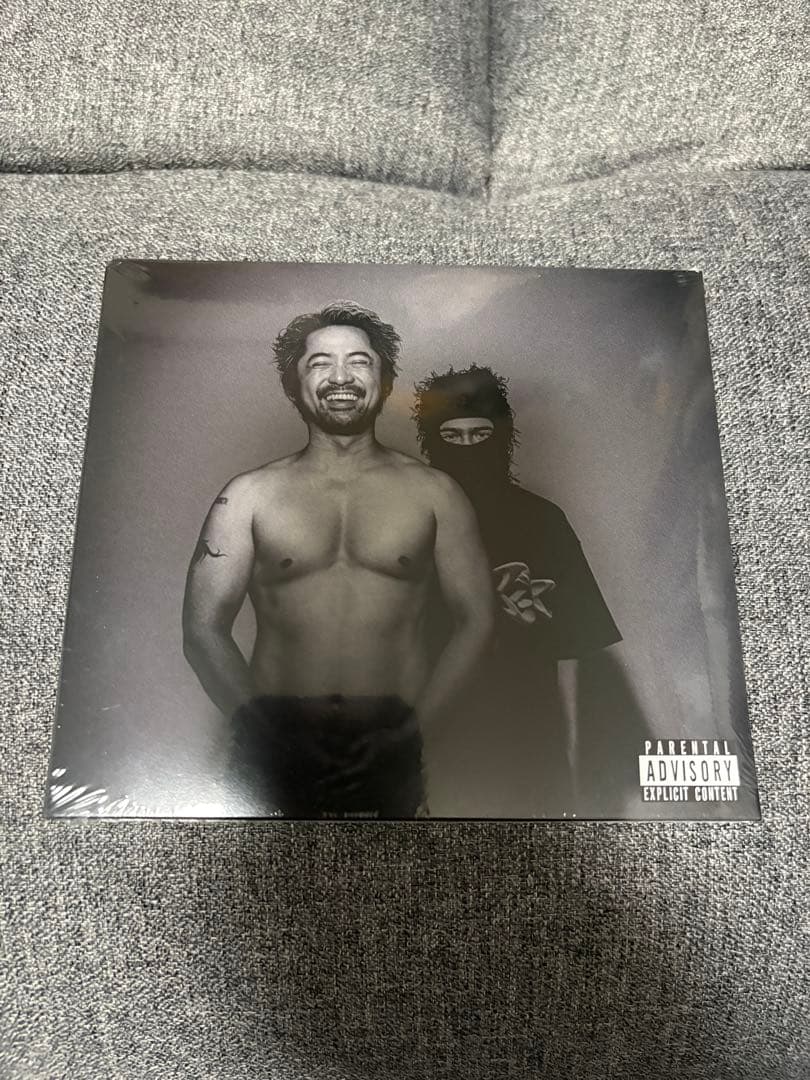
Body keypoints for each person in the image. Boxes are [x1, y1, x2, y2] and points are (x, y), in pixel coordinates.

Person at [182, 304, 493, 818]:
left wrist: (411, 735)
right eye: (320, 362)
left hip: (395, 747)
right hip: (275, 747)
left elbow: (477, 621)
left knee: (398, 873)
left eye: (359, 361)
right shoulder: (248, 496)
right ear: (294, 385)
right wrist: (268, 734)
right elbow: (203, 628)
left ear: (385, 382)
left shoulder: (436, 494)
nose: (341, 377)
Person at [412, 365, 621, 816]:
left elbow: (577, 652)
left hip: (527, 733)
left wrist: (569, 758)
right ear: (432, 440)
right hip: (439, 735)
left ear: (502, 436)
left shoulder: (542, 520)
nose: (468, 447)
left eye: (480, 434)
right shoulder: (405, 524)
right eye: (452, 436)